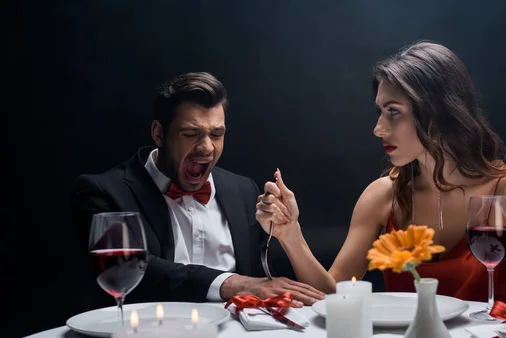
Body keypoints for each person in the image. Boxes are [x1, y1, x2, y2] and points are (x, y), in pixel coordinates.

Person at [256, 41, 506, 310]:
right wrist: (290, 234)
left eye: (393, 111)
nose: (378, 129)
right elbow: (334, 300)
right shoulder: (381, 195)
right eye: (379, 112)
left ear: (438, 112)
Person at [71, 72, 324, 306]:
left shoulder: (243, 191)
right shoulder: (103, 192)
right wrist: (232, 283)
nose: (207, 148)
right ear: (159, 134)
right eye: (191, 133)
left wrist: (290, 231)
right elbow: (130, 270)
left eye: (216, 134)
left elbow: (277, 284)